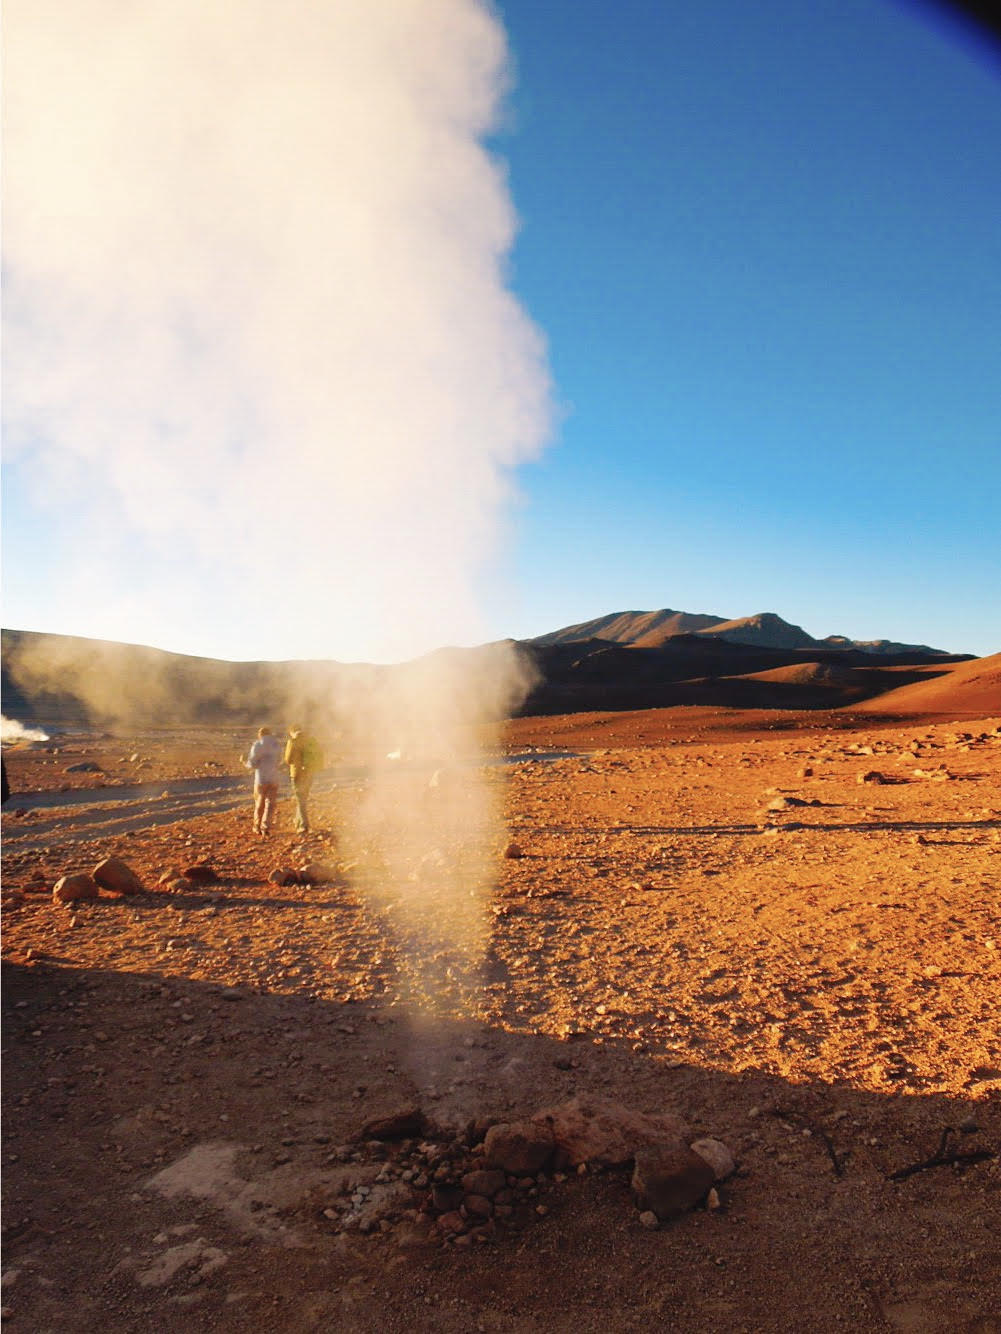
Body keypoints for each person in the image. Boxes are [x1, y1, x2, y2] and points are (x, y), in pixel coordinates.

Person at [244, 726, 283, 837]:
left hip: (261, 778)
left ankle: (257, 826)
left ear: (260, 734)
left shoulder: (257, 744)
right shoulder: (276, 744)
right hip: (274, 778)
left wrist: (244, 763)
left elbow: (252, 764)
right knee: (270, 804)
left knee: (259, 803)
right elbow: (279, 761)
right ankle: (265, 827)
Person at [284, 723, 322, 834]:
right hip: (309, 772)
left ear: (292, 731)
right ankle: (298, 821)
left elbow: (288, 759)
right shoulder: (311, 740)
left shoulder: (292, 742)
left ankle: (304, 825)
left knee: (300, 800)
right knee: (302, 798)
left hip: (297, 773)